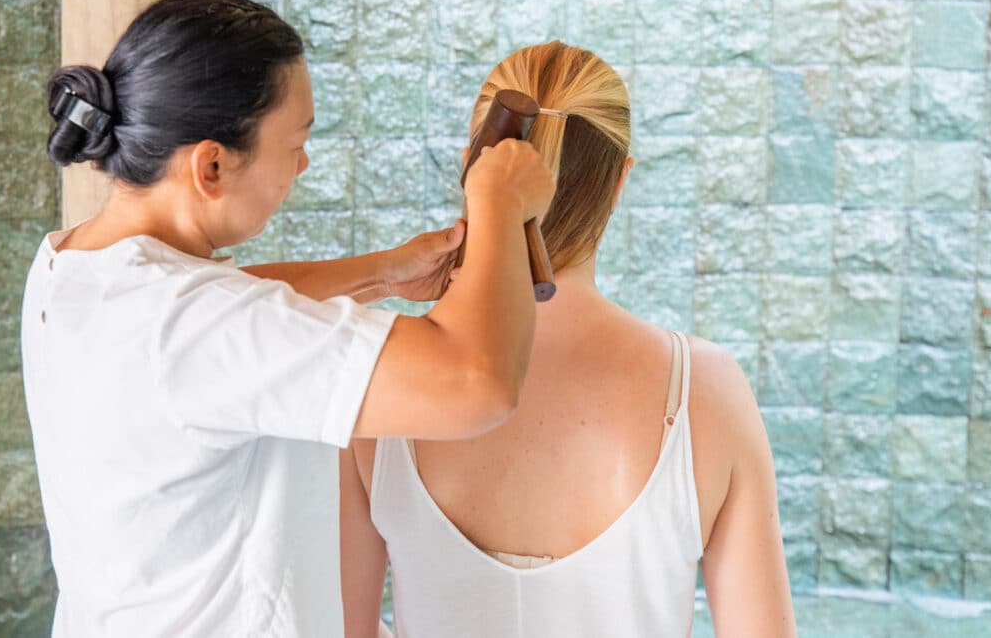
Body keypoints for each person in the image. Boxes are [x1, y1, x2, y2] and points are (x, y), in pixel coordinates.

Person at [18, 0, 556, 637]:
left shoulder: (71, 264)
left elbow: (223, 303)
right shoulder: (193, 325)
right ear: (211, 164)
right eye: (296, 142)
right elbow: (479, 383)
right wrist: (498, 199)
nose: (303, 163)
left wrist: (381, 272)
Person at [340, 42, 795, 638]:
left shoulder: (376, 383)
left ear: (472, 165)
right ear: (620, 179)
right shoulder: (704, 392)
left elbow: (338, 623)